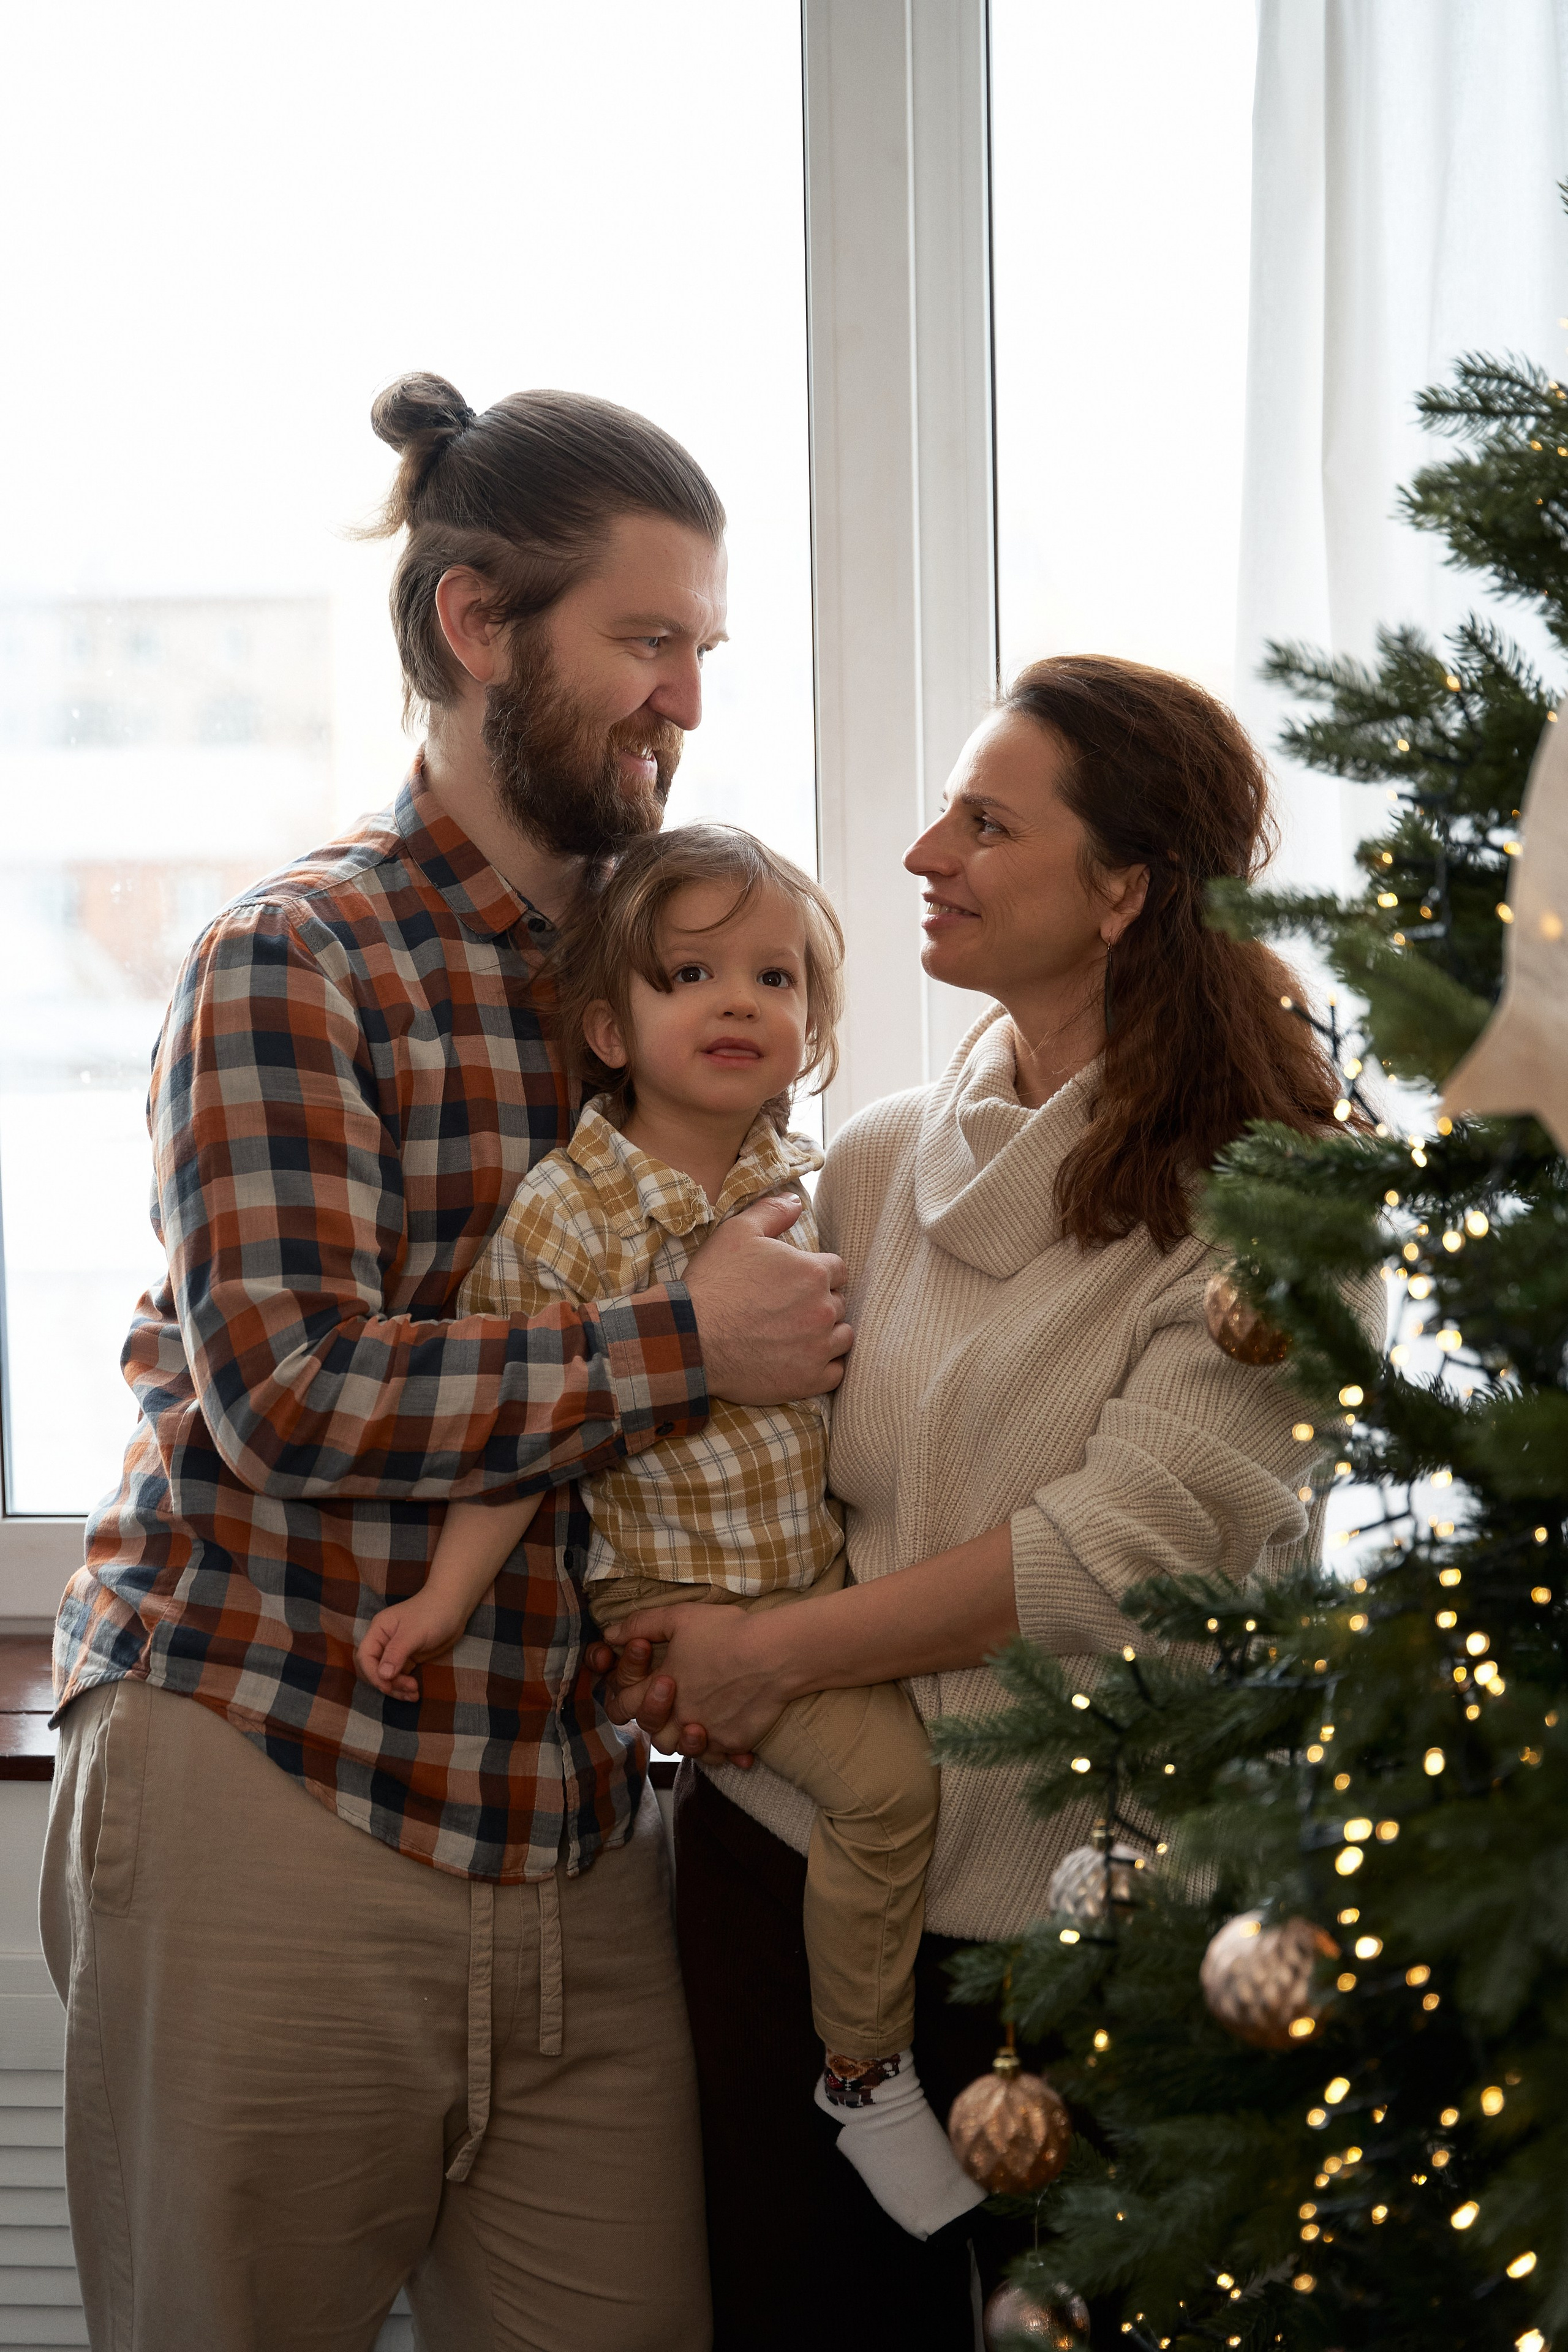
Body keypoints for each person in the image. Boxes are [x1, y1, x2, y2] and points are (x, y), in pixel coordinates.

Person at [40, 373, 851, 2352]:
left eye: (705, 651)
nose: (688, 703)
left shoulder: (683, 979)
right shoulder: (294, 965)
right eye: (647, 644)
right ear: (478, 625)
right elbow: (296, 1395)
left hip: (576, 1842)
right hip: (278, 1780)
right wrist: (679, 1339)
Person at [596, 655, 1355, 2350]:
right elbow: (722, 1442)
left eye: (987, 821)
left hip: (1090, 1925)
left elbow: (1112, 1556)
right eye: (945, 806)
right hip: (789, 1877)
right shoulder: (870, 1158)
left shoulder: (1277, 1199)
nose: (927, 850)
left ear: (1125, 892)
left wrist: (766, 1655)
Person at [356, 821, 981, 2242]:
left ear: (813, 1023)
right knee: (890, 1793)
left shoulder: (798, 1176)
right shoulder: (570, 1215)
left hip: (805, 1573)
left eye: (772, 977)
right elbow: (514, 1436)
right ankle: (863, 2073)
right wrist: (445, 1604)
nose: (736, 1003)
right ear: (607, 1025)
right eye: (690, 973)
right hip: (683, 1593)